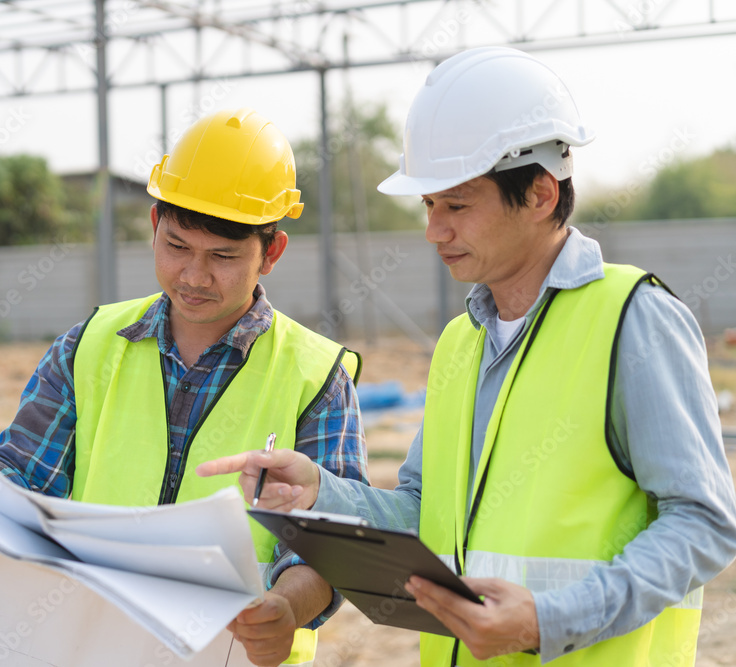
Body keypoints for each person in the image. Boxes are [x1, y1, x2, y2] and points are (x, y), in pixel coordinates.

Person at [197, 47, 736, 666]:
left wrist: (548, 619)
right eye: (428, 206)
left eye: (456, 205)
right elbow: (426, 514)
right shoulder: (462, 340)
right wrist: (321, 493)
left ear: (538, 192)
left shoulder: (632, 320)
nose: (434, 231)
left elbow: (704, 522)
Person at [0, 107, 368, 667]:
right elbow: (21, 474)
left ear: (270, 252)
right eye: (177, 246)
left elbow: (330, 546)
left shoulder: (317, 377)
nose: (194, 276)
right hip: (91, 646)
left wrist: (286, 608)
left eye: (223, 257)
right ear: (155, 225)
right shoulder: (90, 345)